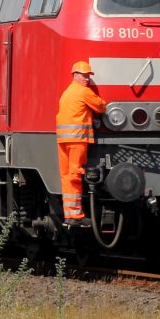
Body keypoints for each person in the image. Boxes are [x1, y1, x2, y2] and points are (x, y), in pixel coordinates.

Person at [56, 61, 107, 225]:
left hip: (63, 139)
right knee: (75, 175)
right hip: (77, 139)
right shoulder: (83, 92)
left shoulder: (67, 92)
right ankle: (76, 216)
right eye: (84, 76)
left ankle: (69, 214)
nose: (87, 79)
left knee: (66, 176)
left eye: (88, 76)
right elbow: (100, 107)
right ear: (75, 75)